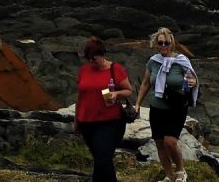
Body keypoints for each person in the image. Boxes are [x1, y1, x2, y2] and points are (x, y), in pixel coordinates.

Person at [134, 27, 197, 182]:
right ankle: (169, 175)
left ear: (172, 44)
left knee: (170, 142)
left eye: (166, 43)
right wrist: (137, 104)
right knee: (160, 143)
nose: (163, 46)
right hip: (157, 108)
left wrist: (193, 82)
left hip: (176, 107)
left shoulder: (181, 61)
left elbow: (193, 79)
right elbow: (145, 83)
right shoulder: (153, 61)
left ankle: (181, 171)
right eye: (160, 43)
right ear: (156, 44)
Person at [75, 35, 133, 182]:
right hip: (86, 121)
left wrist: (116, 93)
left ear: (102, 55)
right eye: (88, 59)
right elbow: (80, 97)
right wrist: (76, 122)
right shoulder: (84, 70)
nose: (91, 62)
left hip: (110, 121)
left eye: (94, 59)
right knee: (99, 159)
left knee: (103, 156)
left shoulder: (115, 69)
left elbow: (129, 90)